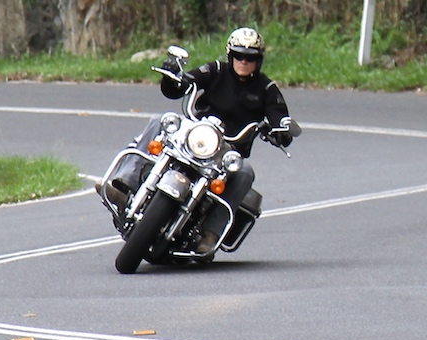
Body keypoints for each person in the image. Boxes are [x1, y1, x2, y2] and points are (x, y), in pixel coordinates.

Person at [101, 27, 294, 253]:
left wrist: (282, 130)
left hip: (227, 150)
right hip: (195, 133)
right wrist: (172, 77)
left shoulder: (267, 89)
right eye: (238, 55)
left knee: (245, 173)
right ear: (230, 55)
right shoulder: (215, 70)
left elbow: (280, 117)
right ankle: (125, 185)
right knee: (160, 121)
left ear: (258, 60)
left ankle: (210, 234)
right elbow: (183, 84)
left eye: (250, 58)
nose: (244, 61)